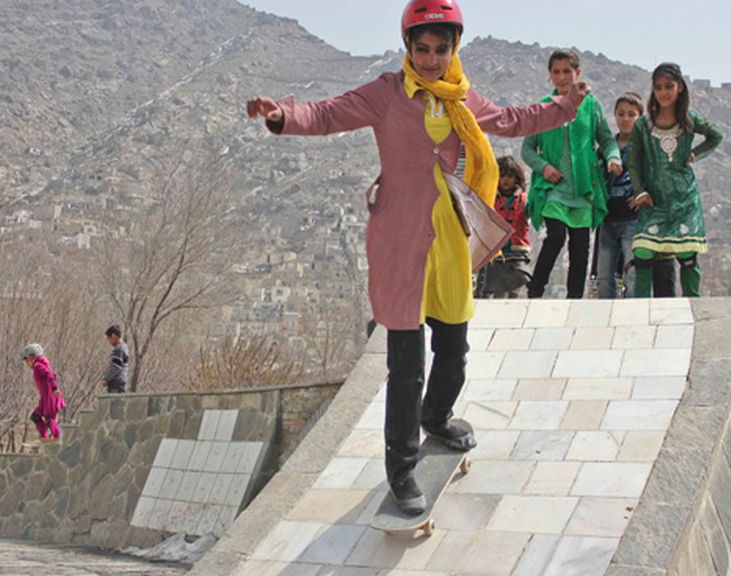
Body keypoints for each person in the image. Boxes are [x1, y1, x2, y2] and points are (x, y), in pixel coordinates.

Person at [246, 0, 588, 514]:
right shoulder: (386, 93)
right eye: (422, 49)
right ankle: (402, 472)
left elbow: (513, 120)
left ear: (454, 49)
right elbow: (328, 113)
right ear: (408, 47)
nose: (431, 59)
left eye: (441, 49)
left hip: (448, 240)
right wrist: (281, 116)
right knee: (406, 363)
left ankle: (437, 417)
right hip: (400, 242)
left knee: (454, 347)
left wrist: (564, 107)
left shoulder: (463, 97)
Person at [523, 49, 621, 299]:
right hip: (554, 188)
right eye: (556, 71)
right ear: (550, 75)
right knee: (555, 236)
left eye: (567, 71)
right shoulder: (544, 106)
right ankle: (534, 293)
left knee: (580, 247)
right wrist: (544, 167)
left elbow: (606, 138)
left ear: (578, 73)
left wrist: (612, 157)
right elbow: (528, 149)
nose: (562, 76)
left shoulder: (590, 105)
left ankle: (574, 301)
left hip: (583, 188)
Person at [627, 63, 723, 298]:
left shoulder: (689, 121)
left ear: (680, 88)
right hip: (654, 202)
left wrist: (695, 153)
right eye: (658, 87)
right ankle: (640, 313)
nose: (663, 92)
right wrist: (640, 191)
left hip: (684, 200)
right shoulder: (643, 125)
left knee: (688, 256)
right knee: (643, 252)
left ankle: (694, 311)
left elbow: (715, 136)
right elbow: (633, 162)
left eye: (669, 86)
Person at [595, 92, 643, 299]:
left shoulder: (644, 148)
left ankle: (632, 316)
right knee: (604, 274)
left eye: (631, 114)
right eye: (621, 114)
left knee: (633, 271)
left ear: (640, 117)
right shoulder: (606, 148)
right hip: (607, 217)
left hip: (632, 217)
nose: (626, 119)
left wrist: (641, 194)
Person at [480, 156, 532, 298]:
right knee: (499, 292)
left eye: (510, 176)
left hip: (517, 252)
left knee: (518, 283)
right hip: (496, 252)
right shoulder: (490, 198)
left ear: (517, 178)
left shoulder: (523, 199)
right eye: (502, 176)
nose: (506, 180)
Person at [23, 343, 66, 442]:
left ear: (32, 357)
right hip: (45, 398)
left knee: (49, 420)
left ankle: (58, 437)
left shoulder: (38, 366)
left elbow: (50, 375)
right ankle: (44, 437)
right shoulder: (39, 366)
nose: (27, 363)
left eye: (27, 360)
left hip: (50, 396)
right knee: (36, 416)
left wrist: (55, 388)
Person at [101, 325, 129, 394]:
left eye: (108, 338)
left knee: (115, 403)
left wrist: (107, 379)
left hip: (117, 383)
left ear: (113, 336)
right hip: (121, 382)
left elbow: (116, 366)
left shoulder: (119, 348)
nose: (109, 341)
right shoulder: (124, 347)